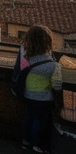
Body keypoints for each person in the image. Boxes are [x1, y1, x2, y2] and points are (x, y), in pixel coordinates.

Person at [18, 24, 63, 152]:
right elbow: (56, 86)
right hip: (43, 99)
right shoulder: (53, 66)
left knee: (29, 117)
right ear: (48, 42)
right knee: (40, 121)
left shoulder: (25, 59)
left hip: (27, 95)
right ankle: (37, 145)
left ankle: (26, 141)